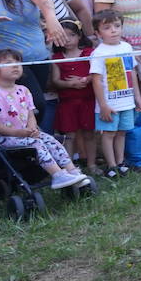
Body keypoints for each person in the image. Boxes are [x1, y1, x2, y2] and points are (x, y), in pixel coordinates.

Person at [0, 49, 90, 189]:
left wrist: (32, 128)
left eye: (18, 62)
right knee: (36, 145)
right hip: (3, 138)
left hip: (25, 134)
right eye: (9, 63)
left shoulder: (23, 90)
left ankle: (72, 171)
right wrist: (16, 133)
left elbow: (30, 114)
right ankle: (58, 175)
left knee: (51, 140)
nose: (16, 66)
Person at [90, 9, 141, 179]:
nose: (113, 30)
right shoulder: (98, 53)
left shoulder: (127, 47)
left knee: (122, 132)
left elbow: (132, 72)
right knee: (109, 134)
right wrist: (103, 105)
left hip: (127, 101)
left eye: (117, 26)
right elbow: (96, 80)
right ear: (98, 33)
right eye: (107, 27)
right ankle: (111, 166)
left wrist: (138, 96)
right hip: (109, 104)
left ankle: (121, 162)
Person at [50, 20, 98, 173]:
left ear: (79, 36)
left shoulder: (89, 54)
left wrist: (85, 80)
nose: (68, 39)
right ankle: (70, 168)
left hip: (88, 101)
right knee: (69, 135)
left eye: (72, 35)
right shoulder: (57, 58)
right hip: (68, 103)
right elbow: (56, 81)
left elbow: (96, 73)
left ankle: (92, 164)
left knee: (89, 133)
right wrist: (70, 85)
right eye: (63, 36)